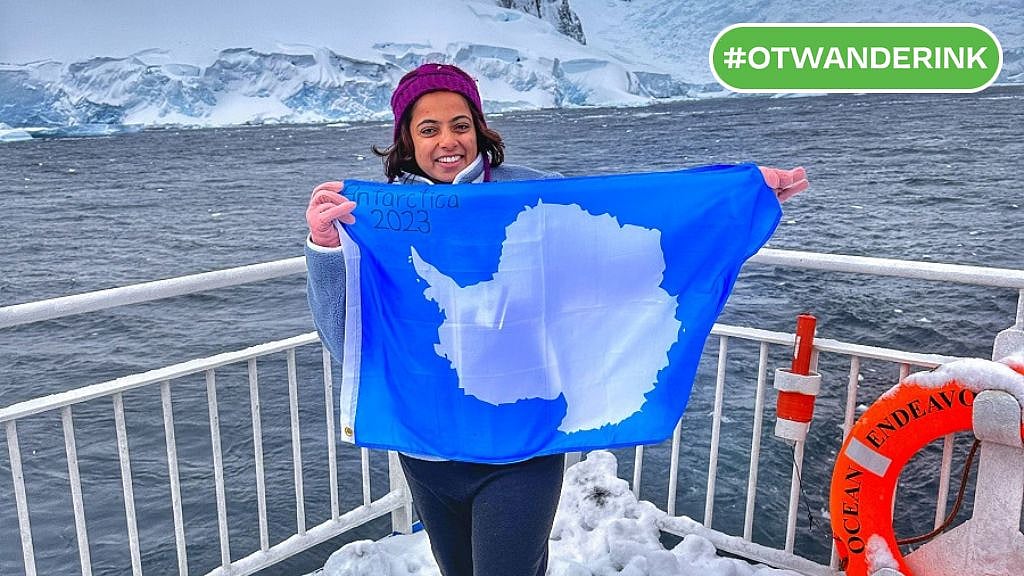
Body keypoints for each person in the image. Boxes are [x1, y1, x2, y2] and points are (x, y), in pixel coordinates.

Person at [304, 62, 807, 576]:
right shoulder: (380, 219)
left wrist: (741, 198)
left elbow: (635, 226)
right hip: (428, 450)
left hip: (521, 446)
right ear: (408, 141)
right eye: (428, 129)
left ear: (479, 128)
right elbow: (346, 342)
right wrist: (325, 250)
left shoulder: (537, 194)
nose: (448, 141)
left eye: (460, 124)